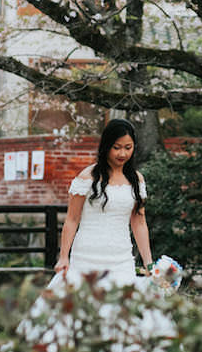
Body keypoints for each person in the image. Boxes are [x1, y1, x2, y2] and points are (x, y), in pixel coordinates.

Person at [52, 118, 153, 285]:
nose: (122, 154)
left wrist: (148, 262)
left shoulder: (137, 180)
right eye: (117, 148)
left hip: (121, 258)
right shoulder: (87, 177)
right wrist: (63, 257)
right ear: (106, 146)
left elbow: (139, 222)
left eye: (128, 148)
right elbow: (72, 219)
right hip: (86, 256)